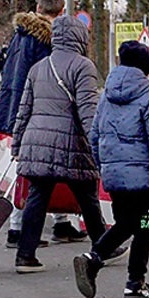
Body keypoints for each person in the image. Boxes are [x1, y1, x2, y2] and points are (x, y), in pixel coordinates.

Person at [74, 41, 149, 298]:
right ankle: (115, 271)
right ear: (146, 68)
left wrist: (104, 167)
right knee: (146, 224)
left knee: (127, 222)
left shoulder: (107, 96)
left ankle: (122, 275)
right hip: (140, 179)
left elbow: (95, 135)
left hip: (114, 176)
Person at [10, 14, 117, 273]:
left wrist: (17, 144)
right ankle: (103, 247)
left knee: (37, 197)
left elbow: (24, 109)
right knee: (87, 196)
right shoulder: (83, 67)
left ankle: (25, 255)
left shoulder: (39, 67)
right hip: (70, 142)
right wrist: (98, 146)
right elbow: (88, 112)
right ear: (80, 37)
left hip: (38, 141)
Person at [0, 0, 86, 247]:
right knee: (47, 169)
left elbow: (11, 76)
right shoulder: (50, 40)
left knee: (33, 170)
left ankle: (56, 222)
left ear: (37, 8)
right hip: (41, 112)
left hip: (17, 108)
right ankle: (20, 228)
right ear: (63, 11)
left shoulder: (20, 35)